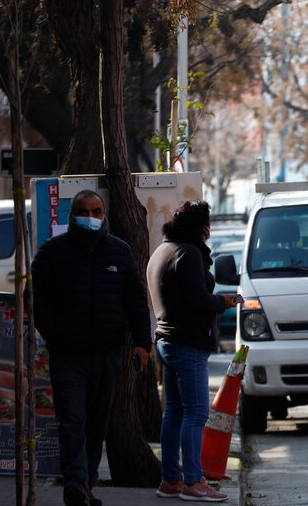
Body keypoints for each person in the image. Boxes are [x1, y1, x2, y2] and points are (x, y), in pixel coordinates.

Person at [32, 190, 151, 506]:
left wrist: (142, 343)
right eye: (84, 210)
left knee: (96, 424)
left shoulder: (119, 252)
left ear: (104, 214)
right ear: (72, 215)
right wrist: (55, 333)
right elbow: (35, 298)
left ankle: (86, 484)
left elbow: (136, 301)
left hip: (108, 355)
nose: (91, 216)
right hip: (68, 356)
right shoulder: (53, 252)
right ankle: (76, 484)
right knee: (72, 420)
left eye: (96, 210)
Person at [147, 201, 239, 502]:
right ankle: (194, 481)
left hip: (167, 341)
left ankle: (171, 479)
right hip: (187, 344)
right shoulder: (187, 253)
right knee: (196, 413)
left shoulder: (162, 250)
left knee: (174, 412)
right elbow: (197, 297)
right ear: (202, 228)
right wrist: (222, 303)